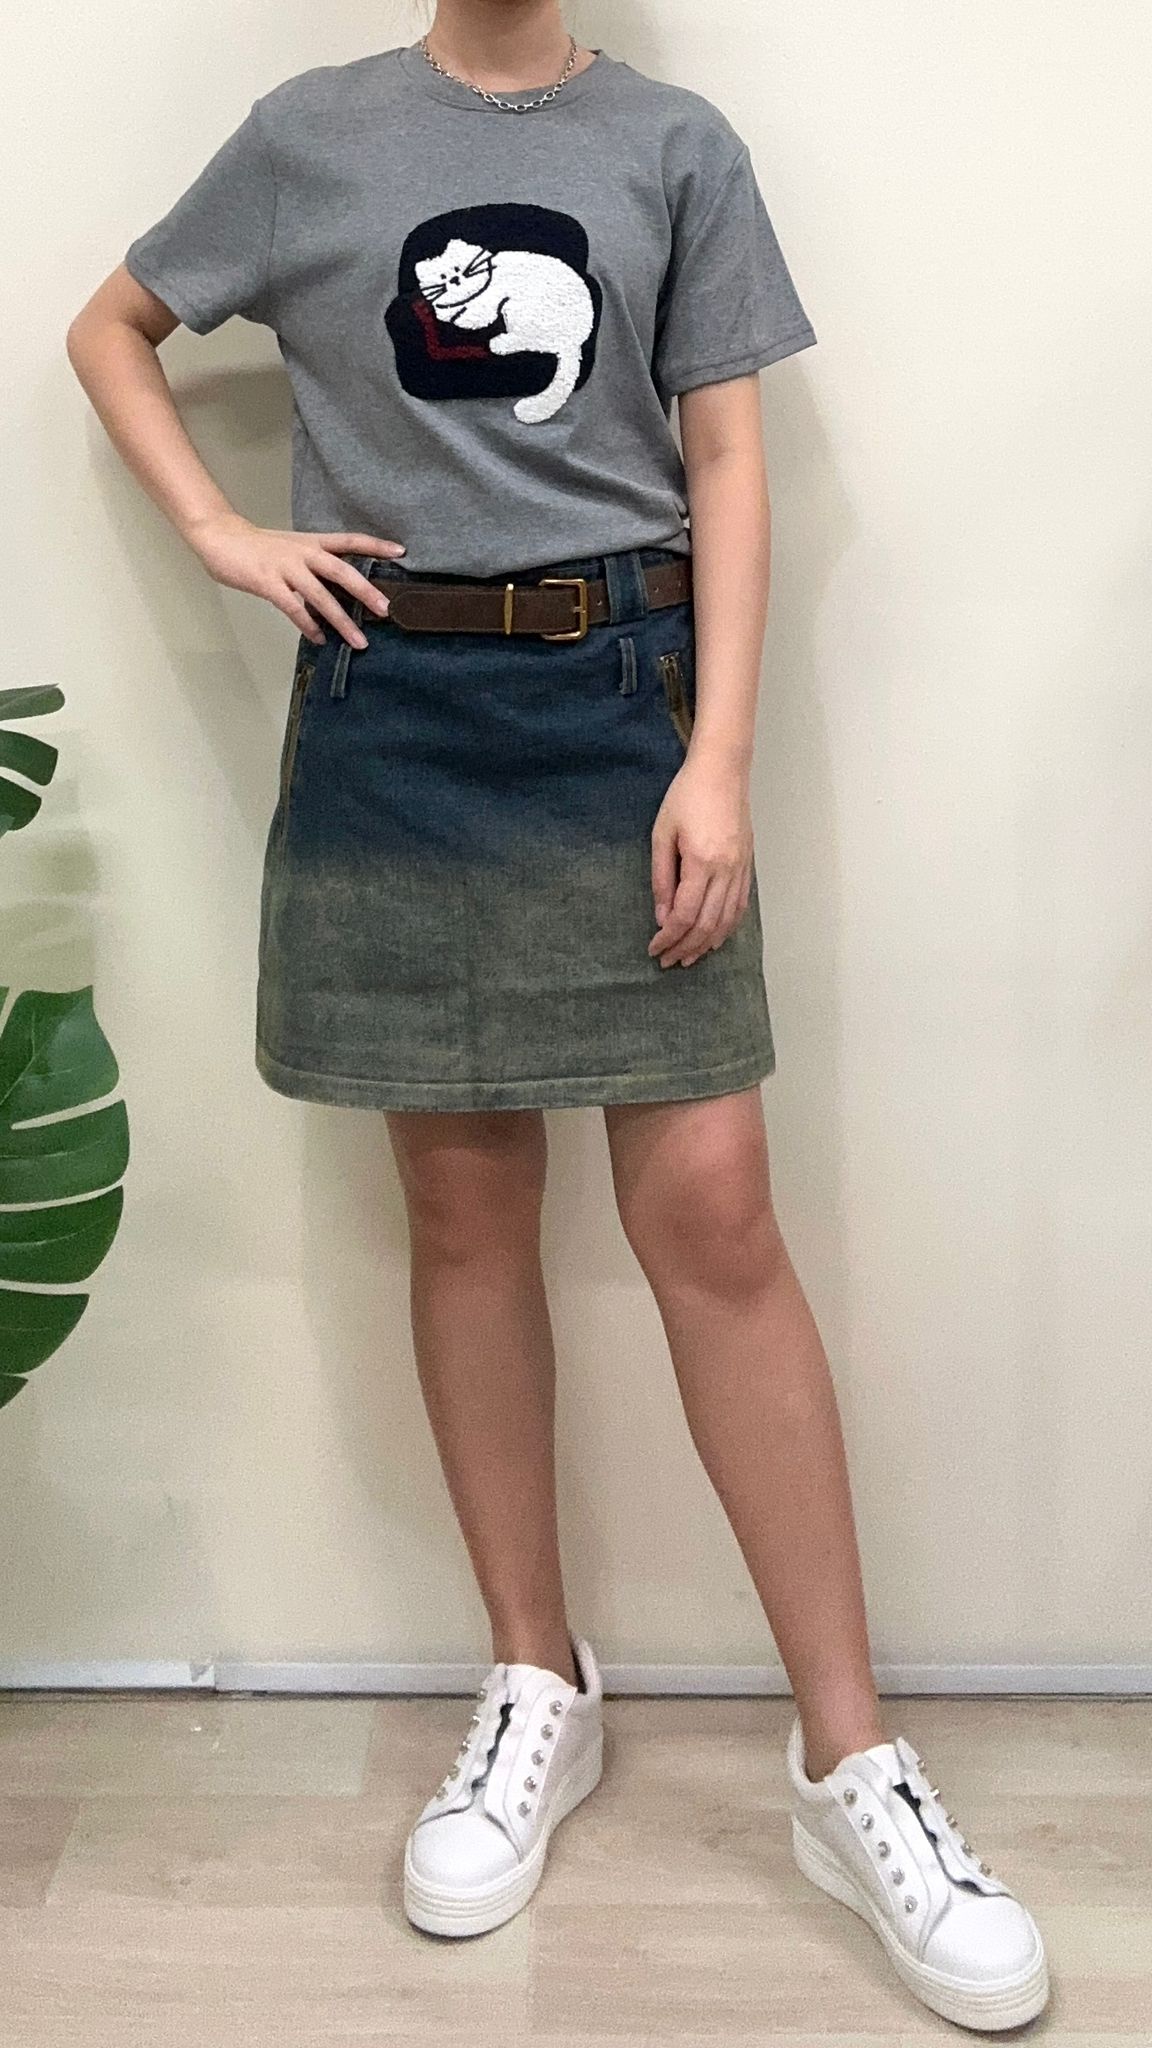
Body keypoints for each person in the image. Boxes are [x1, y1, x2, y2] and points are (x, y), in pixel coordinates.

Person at [65, 1, 1048, 2028]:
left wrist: (721, 757)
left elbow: (727, 457)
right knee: (461, 1212)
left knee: (716, 1217)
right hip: (391, 716)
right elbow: (112, 327)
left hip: (625, 706)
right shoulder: (311, 133)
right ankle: (538, 1677)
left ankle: (849, 1756)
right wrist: (222, 532)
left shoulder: (675, 149)